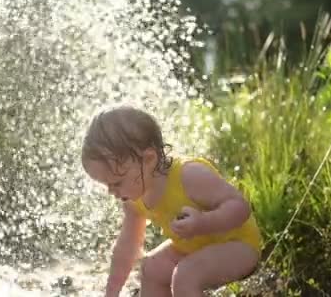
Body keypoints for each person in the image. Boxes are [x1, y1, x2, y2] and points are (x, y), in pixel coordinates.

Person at [81, 105, 261, 297]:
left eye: (116, 183)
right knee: (151, 268)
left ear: (148, 159)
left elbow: (240, 207)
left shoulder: (189, 176)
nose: (111, 191)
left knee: (185, 276)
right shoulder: (134, 199)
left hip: (238, 247)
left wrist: (203, 222)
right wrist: (111, 292)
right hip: (194, 250)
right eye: (106, 185)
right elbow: (127, 247)